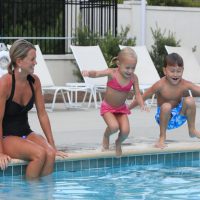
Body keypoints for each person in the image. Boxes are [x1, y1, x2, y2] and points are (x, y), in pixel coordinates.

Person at [0, 39, 67, 179]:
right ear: (19, 61)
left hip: (25, 133)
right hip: (6, 137)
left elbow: (42, 115)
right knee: (39, 154)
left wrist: (52, 145)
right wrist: (0, 152)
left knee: (49, 153)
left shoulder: (34, 81)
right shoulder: (5, 84)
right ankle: (29, 193)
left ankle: (44, 193)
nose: (36, 62)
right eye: (32, 59)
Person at [82, 47, 146, 156]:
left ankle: (118, 142)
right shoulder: (112, 73)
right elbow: (97, 73)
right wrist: (88, 73)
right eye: (127, 68)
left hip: (121, 109)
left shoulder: (134, 78)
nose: (130, 71)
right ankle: (106, 136)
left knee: (125, 131)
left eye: (133, 68)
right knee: (114, 127)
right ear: (118, 64)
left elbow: (138, 94)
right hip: (108, 108)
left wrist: (141, 103)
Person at [129, 52, 200, 149]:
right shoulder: (160, 85)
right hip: (164, 118)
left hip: (179, 116)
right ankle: (162, 136)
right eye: (172, 71)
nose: (176, 74)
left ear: (183, 70)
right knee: (166, 106)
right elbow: (143, 96)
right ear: (165, 71)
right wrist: (127, 108)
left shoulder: (184, 83)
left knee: (190, 100)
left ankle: (192, 130)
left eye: (179, 71)